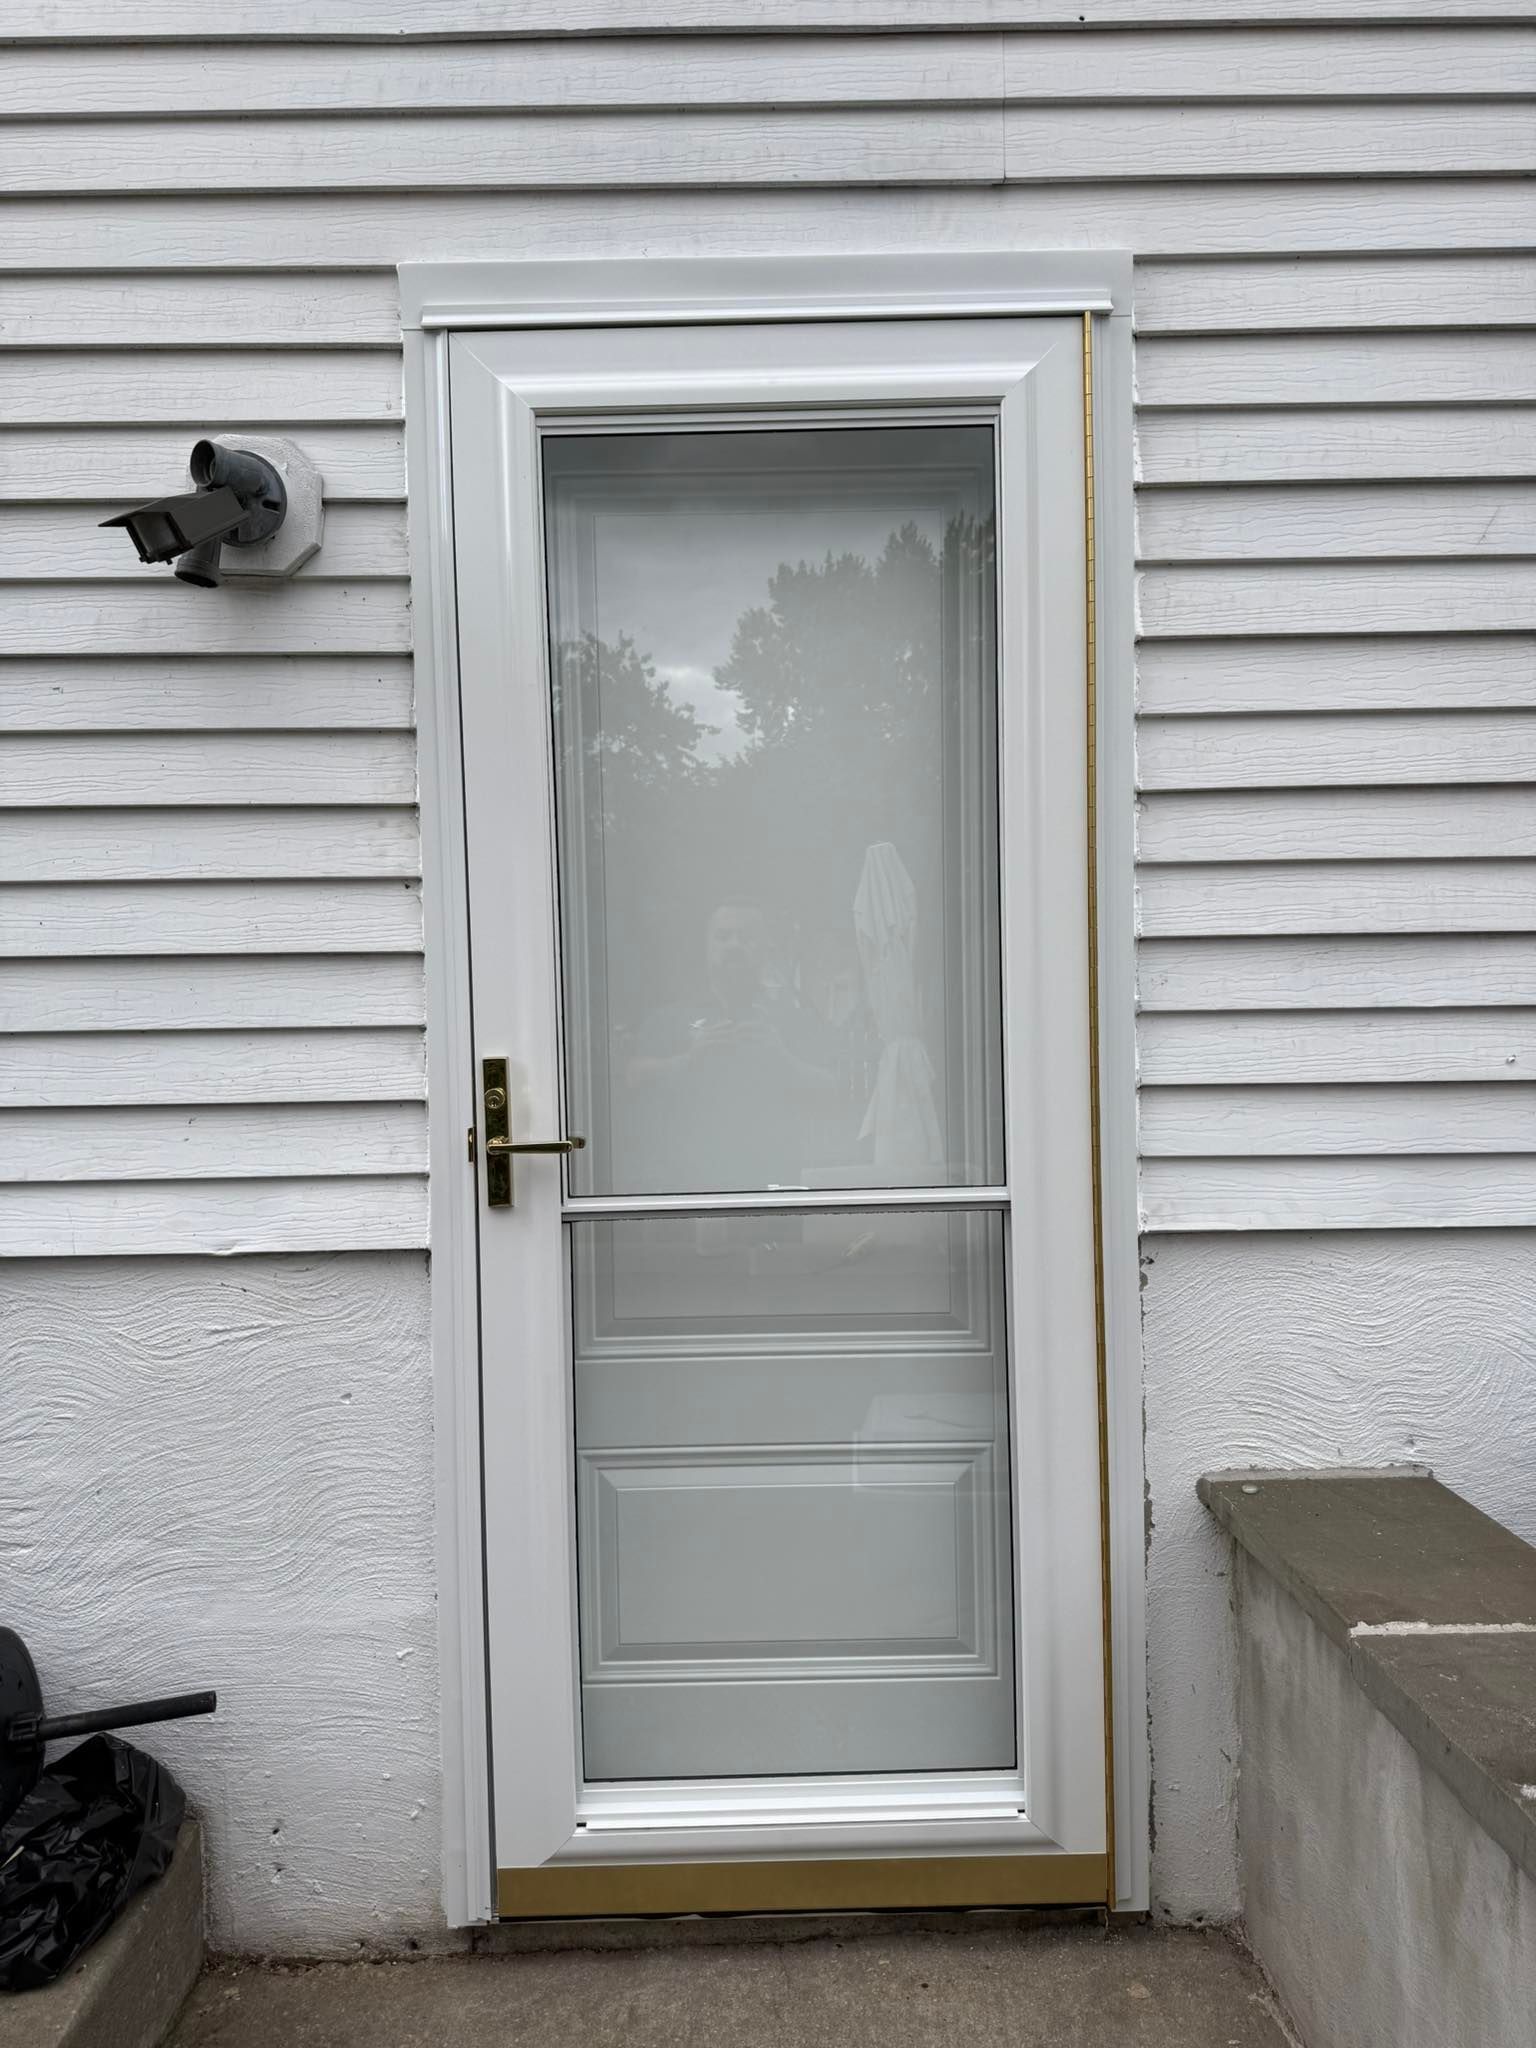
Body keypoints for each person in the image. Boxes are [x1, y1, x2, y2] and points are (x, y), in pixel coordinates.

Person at [623, 901, 838, 1193]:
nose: (734, 945)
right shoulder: (670, 1018)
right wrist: (688, 1060)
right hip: (686, 1187)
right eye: (723, 936)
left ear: (765, 949)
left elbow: (833, 1091)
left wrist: (783, 1060)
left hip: (775, 1184)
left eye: (746, 937)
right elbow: (632, 1077)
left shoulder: (795, 1019)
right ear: (707, 947)